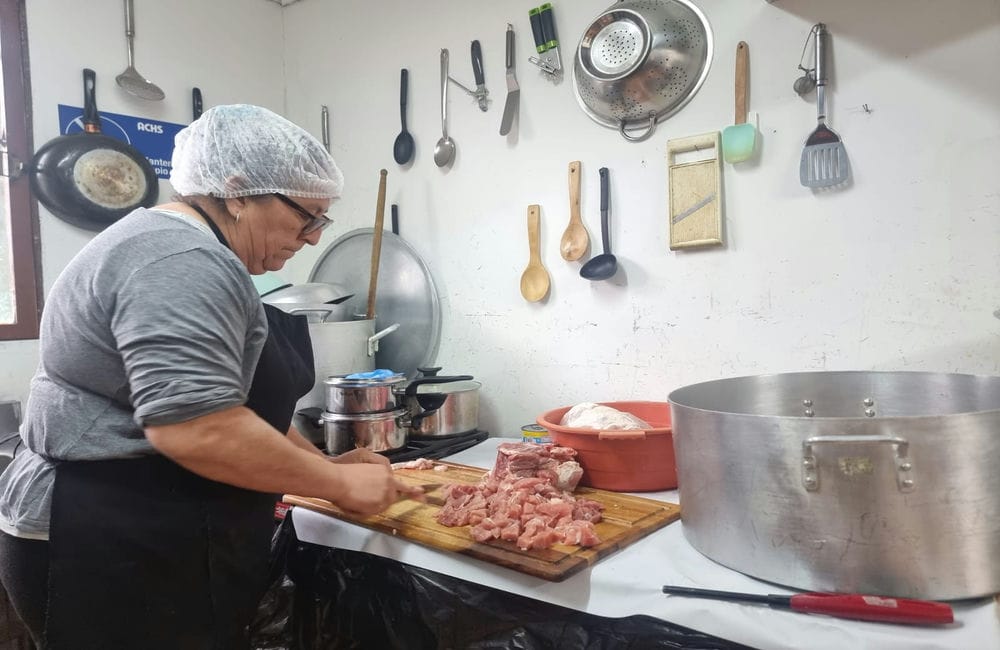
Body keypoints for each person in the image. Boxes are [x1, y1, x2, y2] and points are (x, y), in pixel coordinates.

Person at [0, 104, 420, 649]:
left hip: (147, 527)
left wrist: (319, 464)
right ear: (238, 191)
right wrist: (337, 484)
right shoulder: (179, 259)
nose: (314, 238)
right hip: (105, 539)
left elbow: (232, 407)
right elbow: (196, 426)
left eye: (322, 221)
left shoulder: (193, 251)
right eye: (306, 216)